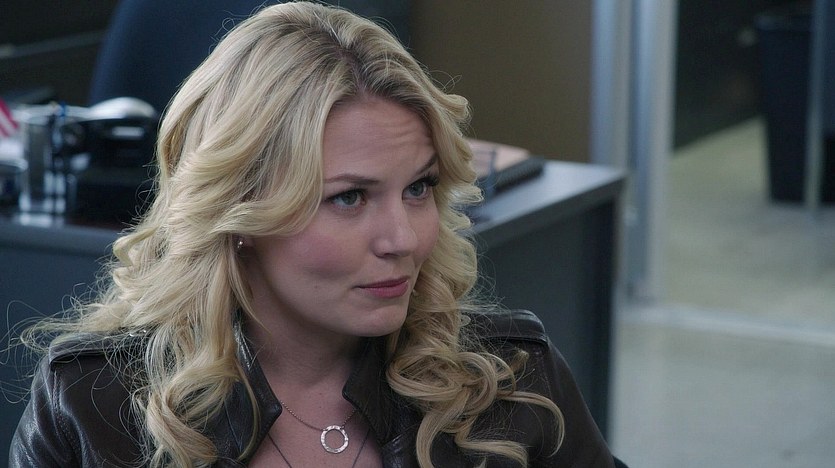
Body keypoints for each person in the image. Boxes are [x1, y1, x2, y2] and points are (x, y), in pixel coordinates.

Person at [10, 2, 619, 467]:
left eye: (419, 188)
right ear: (239, 213)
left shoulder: (513, 381)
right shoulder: (92, 405)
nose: (402, 239)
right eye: (348, 198)